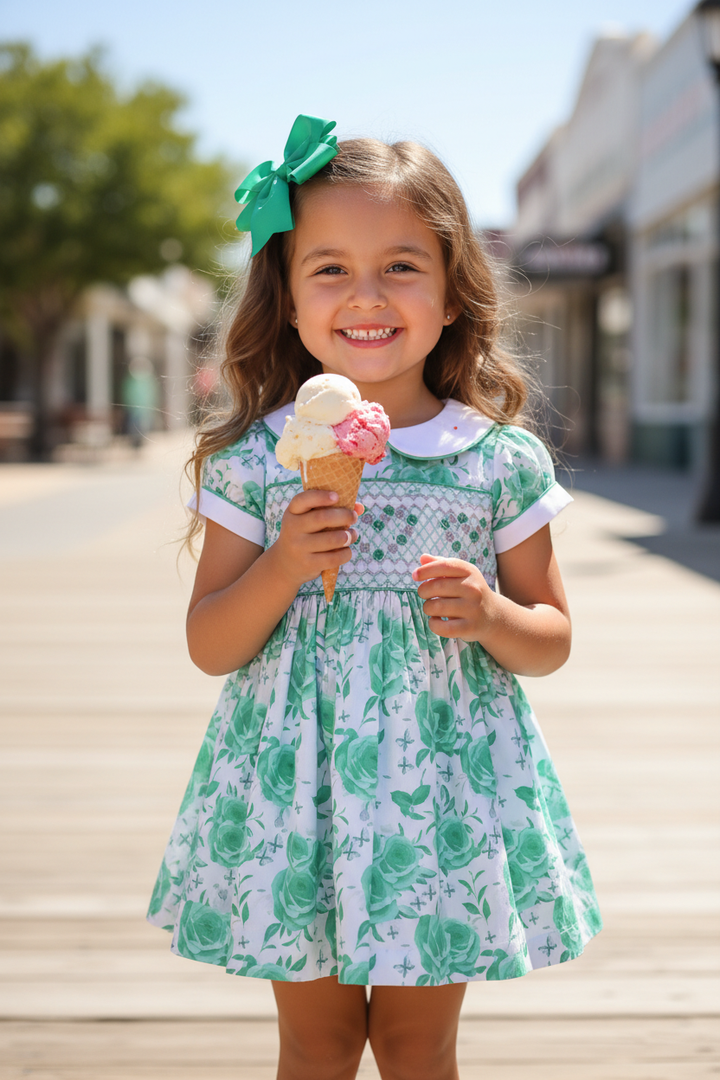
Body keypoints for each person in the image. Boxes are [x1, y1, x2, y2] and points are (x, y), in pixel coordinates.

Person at [147, 115, 602, 1080]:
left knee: (414, 1045)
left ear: (452, 294)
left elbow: (552, 637)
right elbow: (211, 643)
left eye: (401, 266)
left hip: (441, 794)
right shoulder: (255, 461)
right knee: (316, 1044)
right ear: (288, 299)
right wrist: (281, 564)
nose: (366, 295)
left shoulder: (497, 461)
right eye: (330, 269)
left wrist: (493, 617)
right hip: (296, 792)